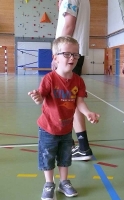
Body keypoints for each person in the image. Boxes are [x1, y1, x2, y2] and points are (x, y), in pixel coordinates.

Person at [28, 36, 100, 200]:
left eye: (75, 55)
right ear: (55, 58)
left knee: (65, 157)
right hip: (48, 128)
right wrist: (38, 98)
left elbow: (79, 101)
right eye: (67, 54)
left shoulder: (78, 81)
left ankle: (64, 182)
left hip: (66, 128)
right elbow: (41, 97)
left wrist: (88, 112)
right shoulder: (49, 79)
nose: (72, 58)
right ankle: (49, 183)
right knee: (48, 156)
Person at [56, 0, 93, 161]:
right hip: (74, 52)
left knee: (68, 99)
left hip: (67, 54)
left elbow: (69, 26)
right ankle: (74, 143)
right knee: (70, 98)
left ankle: (81, 147)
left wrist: (59, 54)